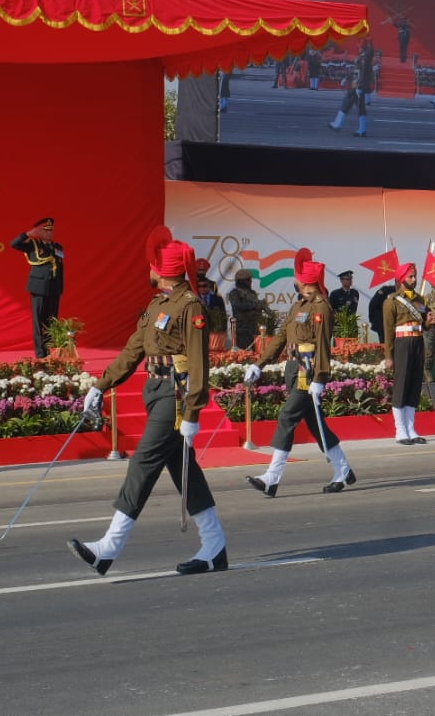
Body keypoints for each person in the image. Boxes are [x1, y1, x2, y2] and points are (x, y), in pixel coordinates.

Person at [69, 228, 227, 576]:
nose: (149, 270)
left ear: (163, 270)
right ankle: (215, 546)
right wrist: (101, 385)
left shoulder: (190, 306)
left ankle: (109, 547)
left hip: (175, 397)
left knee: (142, 463)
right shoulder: (158, 304)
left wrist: (192, 412)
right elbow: (133, 351)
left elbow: (199, 365)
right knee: (186, 473)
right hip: (156, 392)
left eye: (153, 265)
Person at [246, 252, 356, 495]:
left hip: (309, 372)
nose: (295, 281)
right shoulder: (299, 305)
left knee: (287, 417)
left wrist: (320, 377)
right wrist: (259, 364)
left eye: (297, 277)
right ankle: (343, 470)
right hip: (294, 370)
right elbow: (281, 338)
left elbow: (323, 344)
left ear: (306, 281)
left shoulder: (322, 306)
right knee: (317, 426)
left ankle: (271, 477)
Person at [382, 263, 430, 445]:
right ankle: (400, 430)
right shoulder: (392, 301)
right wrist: (389, 356)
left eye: (415, 276)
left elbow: (424, 324)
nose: (414, 279)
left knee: (414, 385)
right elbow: (388, 331)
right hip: (402, 344)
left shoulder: (420, 299)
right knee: (401, 385)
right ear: (401, 279)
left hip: (418, 343)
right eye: (410, 276)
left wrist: (429, 322)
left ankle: (411, 429)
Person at [10, 217, 64, 359]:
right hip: (39, 287)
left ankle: (49, 349)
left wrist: (60, 288)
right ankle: (40, 352)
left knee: (51, 320)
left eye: (51, 231)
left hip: (54, 288)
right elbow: (13, 244)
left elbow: (60, 269)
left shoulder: (57, 247)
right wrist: (28, 234)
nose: (49, 233)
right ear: (39, 232)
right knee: (38, 320)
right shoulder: (32, 245)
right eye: (45, 231)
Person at [228, 270, 265, 351]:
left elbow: (257, 308)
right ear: (240, 281)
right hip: (242, 330)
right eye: (248, 280)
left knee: (257, 352)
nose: (250, 281)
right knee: (243, 354)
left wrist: (260, 308)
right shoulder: (235, 293)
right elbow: (237, 305)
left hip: (254, 328)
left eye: (250, 279)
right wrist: (254, 305)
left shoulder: (252, 293)